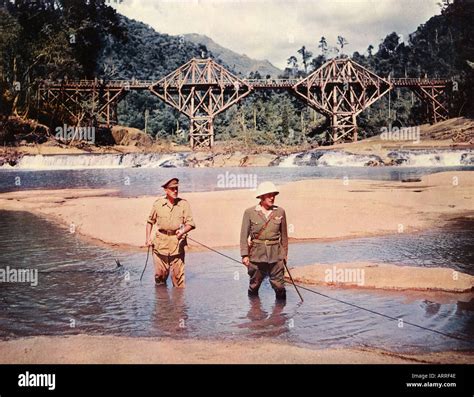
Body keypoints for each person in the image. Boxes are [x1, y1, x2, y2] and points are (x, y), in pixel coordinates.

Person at [240, 181, 288, 300]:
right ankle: (254, 312)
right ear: (261, 196)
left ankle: (280, 316)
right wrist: (245, 255)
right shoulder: (249, 212)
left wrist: (284, 255)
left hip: (276, 255)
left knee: (279, 286)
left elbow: (284, 237)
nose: (272, 197)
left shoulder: (280, 212)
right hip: (256, 255)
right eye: (269, 195)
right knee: (254, 285)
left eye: (274, 195)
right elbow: (243, 236)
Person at [145, 178, 196, 287]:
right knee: (160, 276)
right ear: (166, 190)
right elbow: (150, 222)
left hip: (177, 245)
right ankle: (162, 302)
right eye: (172, 189)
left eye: (176, 188)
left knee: (178, 280)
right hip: (160, 245)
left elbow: (191, 224)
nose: (175, 191)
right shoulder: (158, 204)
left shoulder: (184, 204)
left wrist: (182, 231)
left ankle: (179, 303)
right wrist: (147, 238)